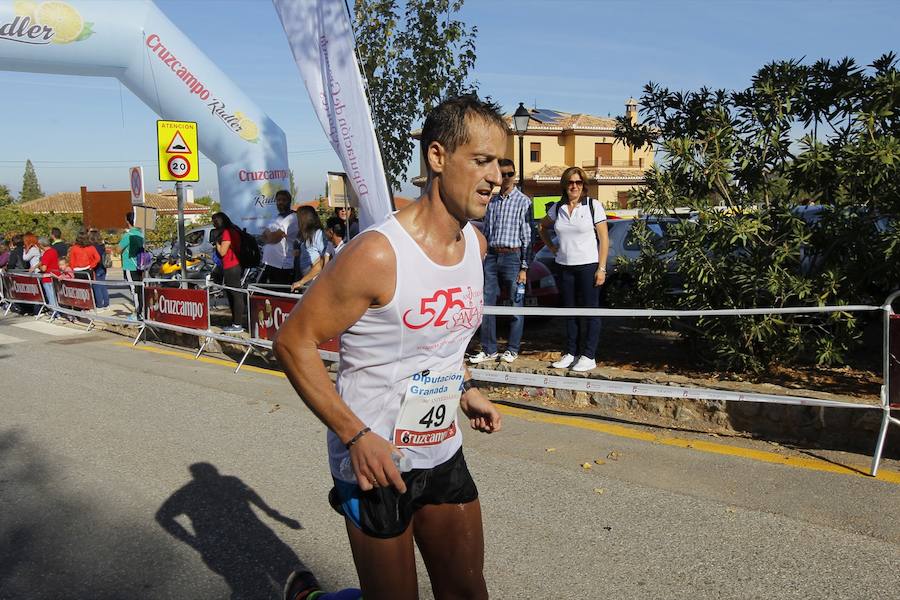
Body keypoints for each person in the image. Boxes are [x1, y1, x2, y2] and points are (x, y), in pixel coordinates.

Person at [273, 95, 505, 600]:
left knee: (468, 592)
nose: (496, 178)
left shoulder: (476, 247)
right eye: (482, 161)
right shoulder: (378, 254)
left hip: (441, 447)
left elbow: (443, 339)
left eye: (501, 165)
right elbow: (293, 343)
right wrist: (355, 436)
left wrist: (466, 388)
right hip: (374, 458)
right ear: (438, 157)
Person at [538, 166, 610, 372]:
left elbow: (604, 239)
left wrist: (602, 268)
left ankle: (589, 355)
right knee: (570, 312)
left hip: (588, 266)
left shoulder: (592, 206)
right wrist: (552, 248)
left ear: (584, 185)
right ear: (565, 185)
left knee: (590, 311)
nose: (574, 186)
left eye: (578, 183)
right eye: (570, 183)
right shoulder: (557, 208)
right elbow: (542, 227)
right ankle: (571, 353)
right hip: (564, 267)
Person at [468, 158, 532, 364]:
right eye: (502, 174)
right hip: (493, 256)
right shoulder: (492, 202)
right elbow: (486, 231)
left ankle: (512, 349)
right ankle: (489, 349)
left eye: (509, 174)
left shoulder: (524, 202)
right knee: (486, 304)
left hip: (513, 257)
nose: (505, 178)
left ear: (515, 175)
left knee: (516, 304)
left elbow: (528, 237)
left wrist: (524, 266)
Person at [212, 211, 246, 333]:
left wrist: (217, 242)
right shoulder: (234, 230)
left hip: (232, 266)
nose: (214, 225)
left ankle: (237, 325)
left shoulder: (227, 232)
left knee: (235, 294)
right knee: (233, 294)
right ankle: (235, 323)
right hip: (234, 265)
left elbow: (223, 252)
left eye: (214, 222)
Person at [260, 190, 299, 286]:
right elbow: (263, 237)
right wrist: (271, 235)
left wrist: (270, 234)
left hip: (283, 266)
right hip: (269, 263)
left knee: (280, 297)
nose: (280, 202)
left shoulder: (292, 218)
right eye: (278, 200)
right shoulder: (276, 217)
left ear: (289, 201)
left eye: (283, 200)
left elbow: (274, 238)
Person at [290, 206, 326, 291]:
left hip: (314, 281)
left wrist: (301, 282)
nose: (297, 222)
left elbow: (323, 260)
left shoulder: (319, 234)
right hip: (305, 279)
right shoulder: (303, 235)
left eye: (298, 218)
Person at [120, 212, 145, 320]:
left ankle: (137, 313)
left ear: (127, 221)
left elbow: (118, 249)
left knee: (134, 290)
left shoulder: (128, 236)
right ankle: (141, 311)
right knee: (140, 289)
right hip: (140, 265)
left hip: (130, 265)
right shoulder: (141, 234)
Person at [32, 237, 60, 311]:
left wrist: (38, 268)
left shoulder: (46, 253)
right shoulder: (53, 251)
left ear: (41, 245)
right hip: (55, 276)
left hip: (47, 278)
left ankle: (55, 313)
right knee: (55, 296)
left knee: (51, 297)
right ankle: (57, 312)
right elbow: (44, 261)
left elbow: (44, 268)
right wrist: (35, 266)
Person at [89, 229, 110, 309]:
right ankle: (106, 303)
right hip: (103, 267)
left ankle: (99, 304)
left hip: (96, 267)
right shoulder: (102, 246)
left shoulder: (92, 247)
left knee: (96, 286)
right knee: (103, 285)